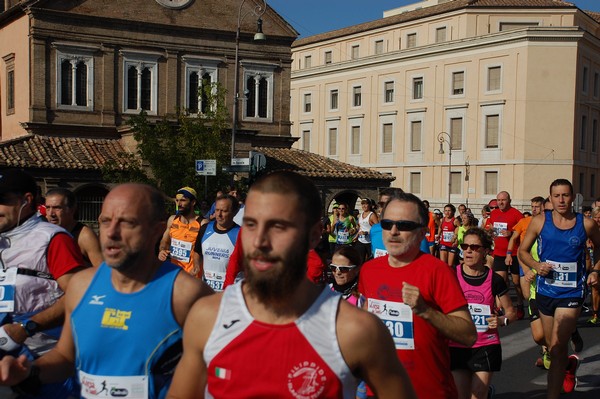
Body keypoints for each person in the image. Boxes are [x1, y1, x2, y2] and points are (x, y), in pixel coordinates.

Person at [167, 171, 417, 399]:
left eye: (278, 226)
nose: (260, 242)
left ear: (315, 234)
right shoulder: (206, 317)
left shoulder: (356, 331)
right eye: (251, 225)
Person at [0, 183, 213, 398]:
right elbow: (65, 357)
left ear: (156, 231)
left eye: (127, 222)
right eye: (105, 221)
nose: (111, 233)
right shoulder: (82, 285)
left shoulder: (189, 295)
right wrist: (29, 371)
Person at [359, 191, 477, 399]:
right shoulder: (369, 270)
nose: (393, 231)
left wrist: (426, 311)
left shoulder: (438, 271)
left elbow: (468, 335)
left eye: (404, 226)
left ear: (422, 233)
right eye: (387, 224)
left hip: (428, 391)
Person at [0, 169, 86, 398]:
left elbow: (80, 296)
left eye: (2, 201)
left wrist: (26, 327)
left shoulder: (52, 239)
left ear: (26, 201)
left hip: (44, 363)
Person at [519, 179, 600, 398]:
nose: (561, 200)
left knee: (556, 347)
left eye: (565, 195)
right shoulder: (539, 221)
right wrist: (536, 266)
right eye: (557, 196)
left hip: (571, 294)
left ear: (573, 197)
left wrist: (595, 271)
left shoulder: (586, 224)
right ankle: (568, 367)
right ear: (551, 198)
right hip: (546, 291)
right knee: (549, 343)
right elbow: (522, 251)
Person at [450, 228, 516, 399]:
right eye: (465, 246)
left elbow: (511, 312)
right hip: (457, 345)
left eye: (474, 247)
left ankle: (484, 393)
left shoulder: (495, 279)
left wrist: (501, 320)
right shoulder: (451, 275)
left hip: (485, 345)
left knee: (477, 394)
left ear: (486, 251)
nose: (468, 250)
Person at [487, 191, 525, 319]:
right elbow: (490, 228)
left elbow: (524, 232)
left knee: (516, 282)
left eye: (503, 200)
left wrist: (511, 233)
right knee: (500, 279)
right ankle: (499, 308)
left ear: (509, 200)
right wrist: (490, 231)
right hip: (498, 252)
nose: (500, 202)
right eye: (498, 200)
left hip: (514, 253)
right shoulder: (494, 213)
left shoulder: (517, 214)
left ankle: (520, 304)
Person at [193, 194, 241, 291]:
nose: (218, 215)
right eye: (217, 210)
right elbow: (197, 252)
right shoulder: (205, 229)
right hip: (208, 291)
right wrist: (197, 265)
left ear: (234, 212)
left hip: (230, 293)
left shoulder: (241, 234)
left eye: (223, 211)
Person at [45, 188, 103, 268]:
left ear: (72, 210)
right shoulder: (44, 232)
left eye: (57, 208)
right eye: (48, 208)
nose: (51, 213)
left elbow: (102, 272)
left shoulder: (85, 236)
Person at [158, 187, 202, 276]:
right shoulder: (172, 220)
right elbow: (165, 241)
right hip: (175, 274)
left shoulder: (202, 223)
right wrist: (162, 251)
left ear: (193, 202)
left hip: (193, 276)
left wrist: (197, 266)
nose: (179, 204)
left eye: (183, 200)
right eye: (177, 201)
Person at [588, 206, 600, 325]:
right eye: (596, 217)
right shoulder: (588, 229)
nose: (598, 220)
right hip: (592, 263)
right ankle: (595, 313)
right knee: (595, 289)